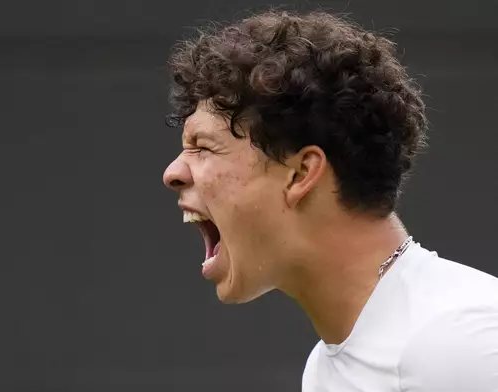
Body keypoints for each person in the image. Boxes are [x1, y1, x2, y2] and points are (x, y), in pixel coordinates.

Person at [161, 9, 498, 391]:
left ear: (302, 173)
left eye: (203, 147)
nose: (172, 173)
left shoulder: (459, 343)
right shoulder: (325, 369)